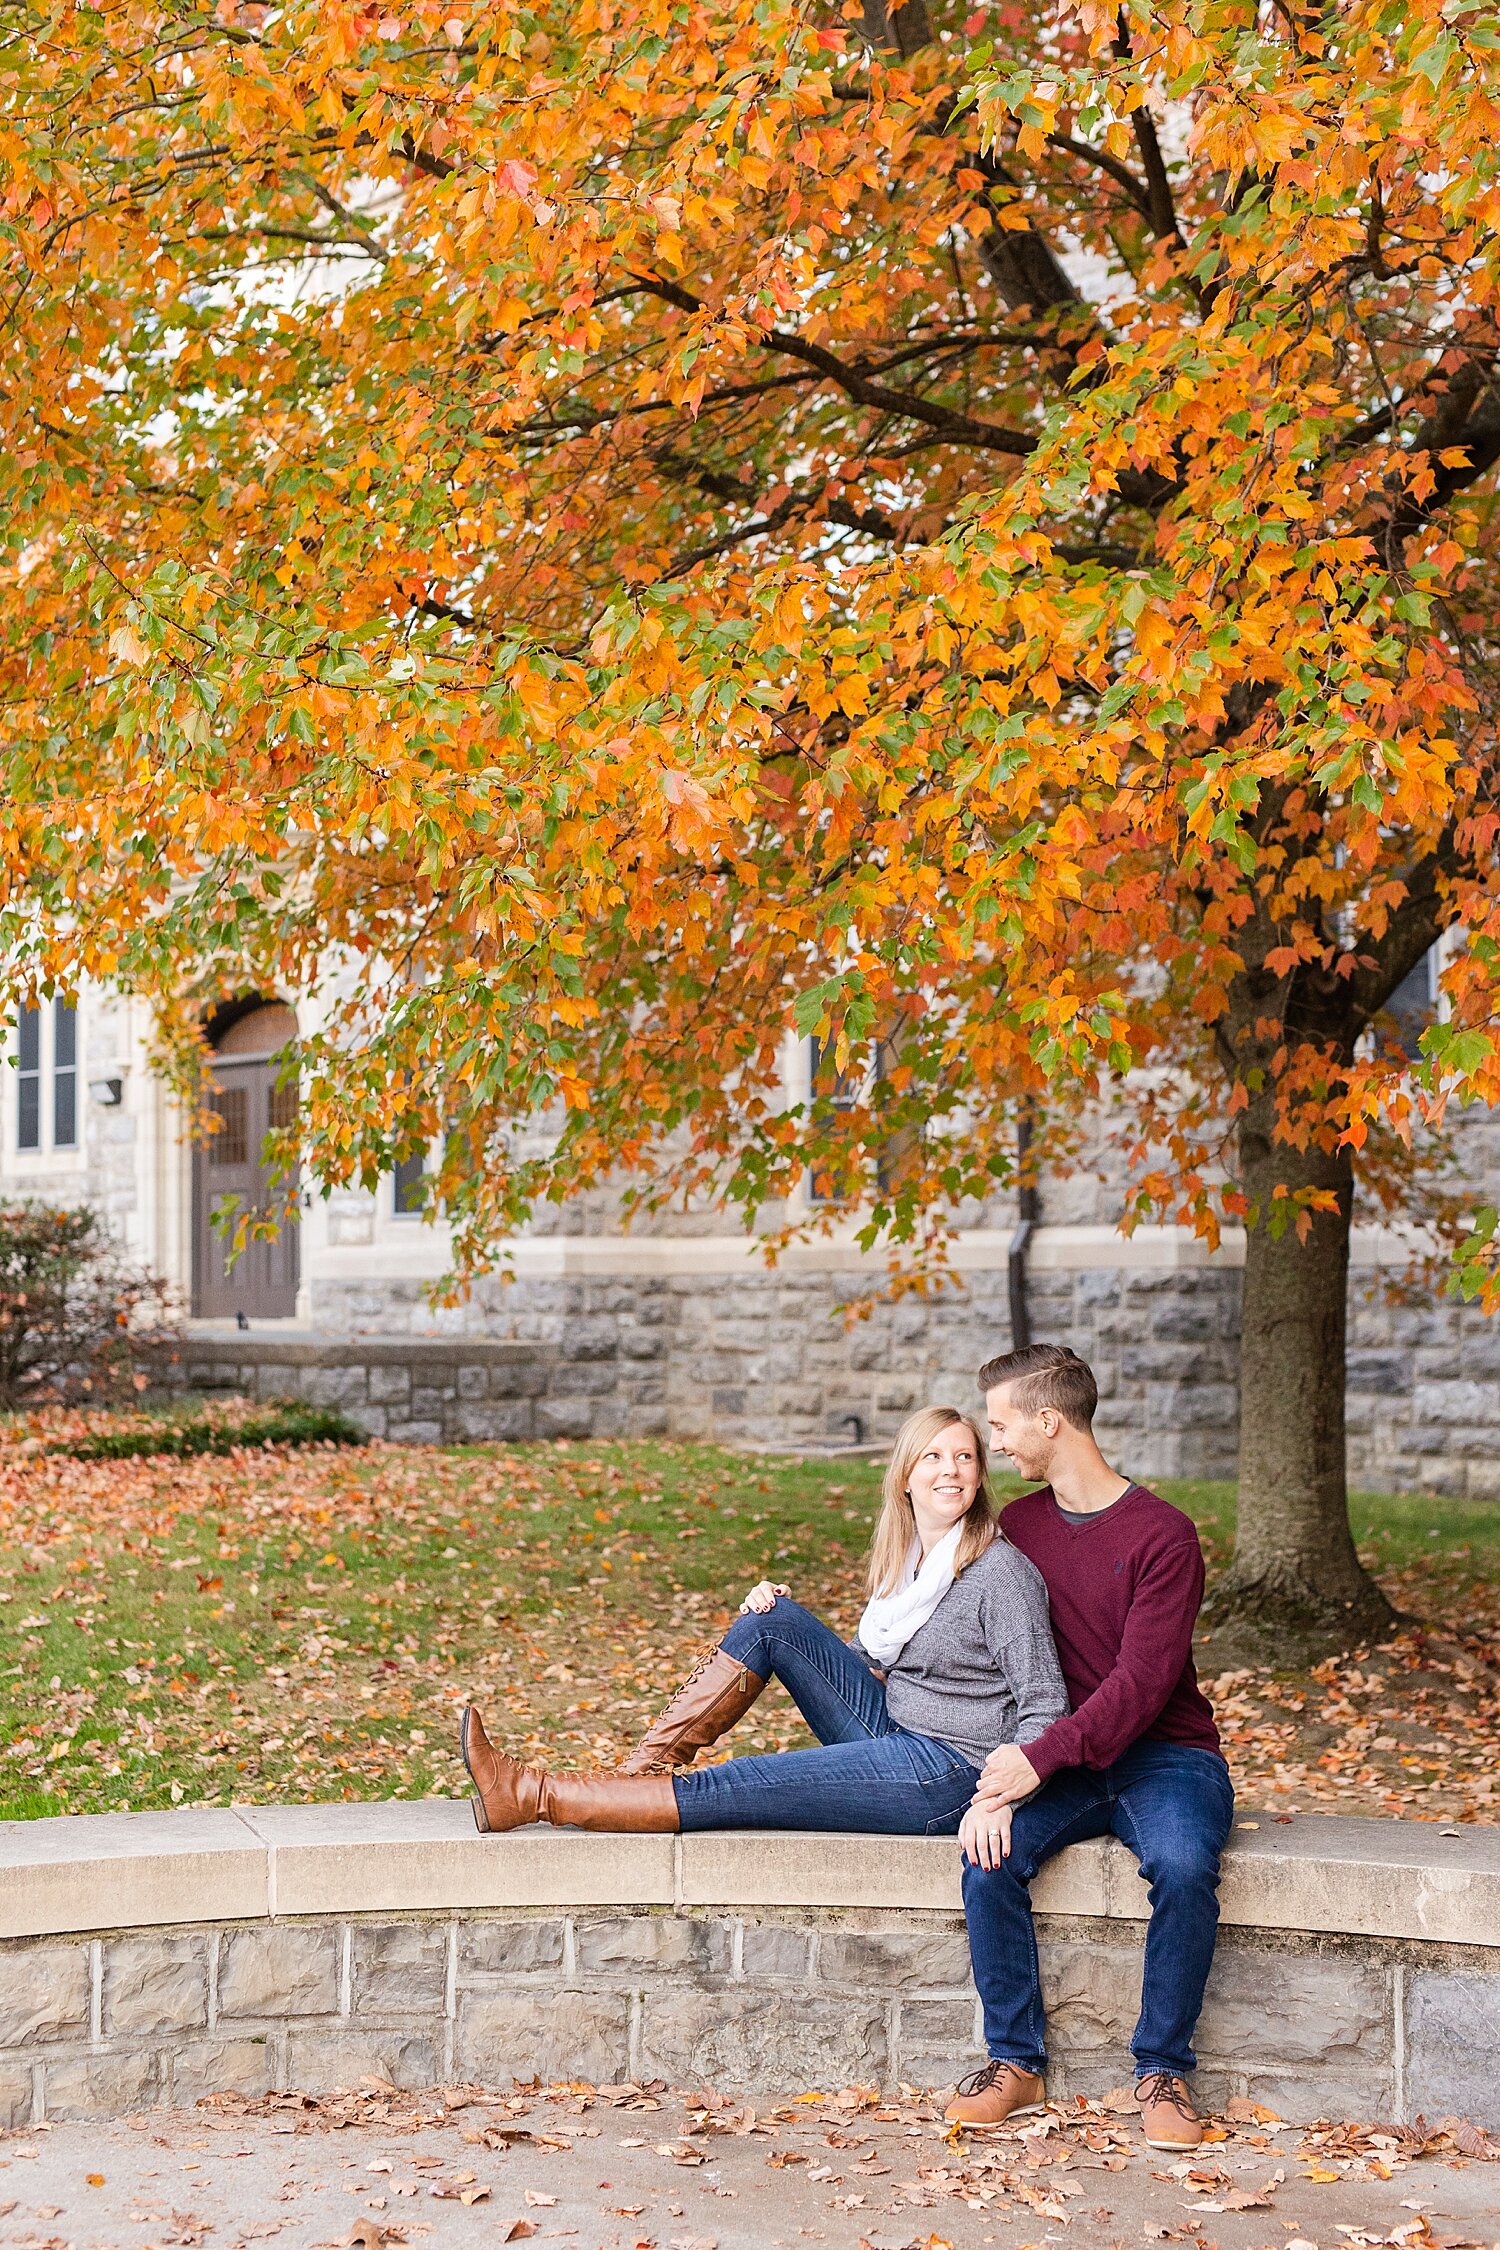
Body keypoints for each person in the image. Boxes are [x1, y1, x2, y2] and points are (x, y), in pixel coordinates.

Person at [459, 1404, 1068, 1850]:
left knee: (744, 1782)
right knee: (770, 1617)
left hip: (947, 1773)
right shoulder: (909, 1566)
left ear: (980, 1475)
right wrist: (787, 1621)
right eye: (933, 1456)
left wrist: (999, 1801)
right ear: (905, 1475)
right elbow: (873, 1661)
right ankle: (630, 1785)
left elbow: (1046, 1706)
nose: (951, 1470)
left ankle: (531, 1794)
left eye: (965, 1456)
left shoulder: (1000, 1573)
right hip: (894, 1729)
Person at [945, 1342, 1233, 2153]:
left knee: (1182, 1865)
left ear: (1049, 1420)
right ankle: (1015, 2062)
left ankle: (1163, 2071)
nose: (996, 1443)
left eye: (1002, 1426)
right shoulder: (1019, 1527)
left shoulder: (1164, 1537)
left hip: (1166, 1753)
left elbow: (1143, 1686)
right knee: (988, 1856)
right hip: (1063, 1757)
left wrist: (1036, 1757)